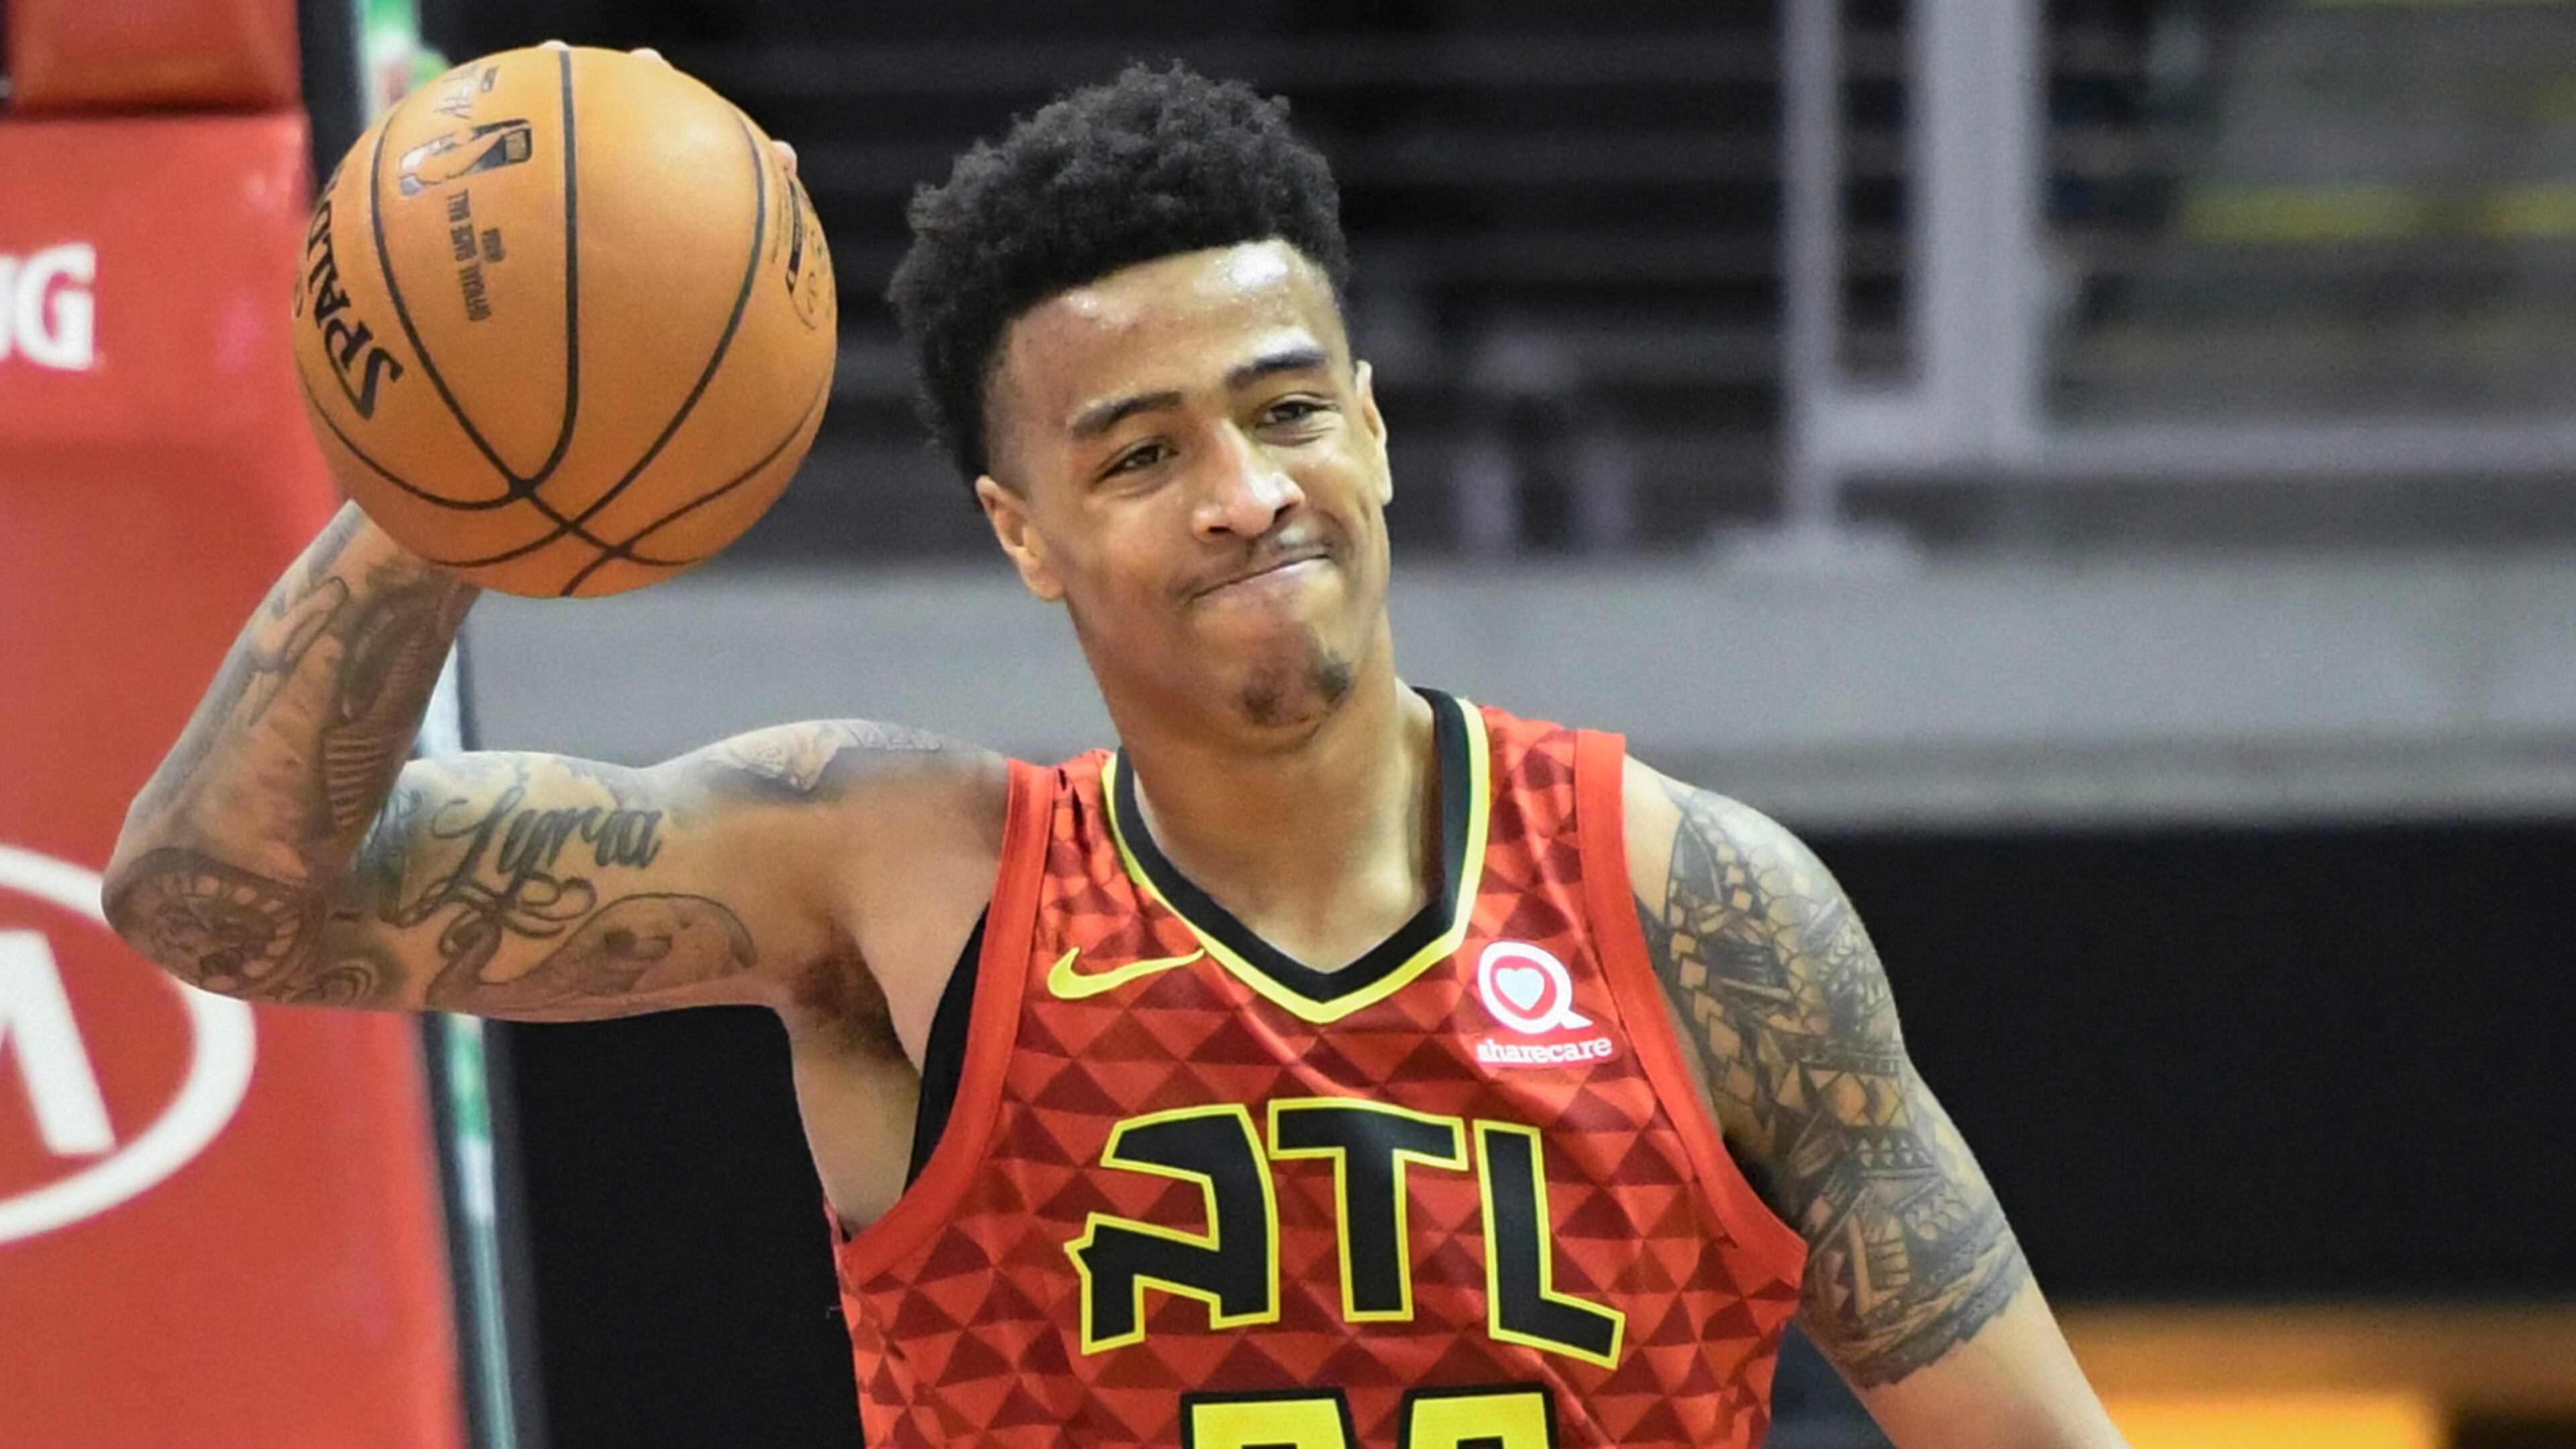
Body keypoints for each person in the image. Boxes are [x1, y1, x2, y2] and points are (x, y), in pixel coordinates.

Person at [105, 62, 2127, 1449]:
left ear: (1379, 429)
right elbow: (221, 899)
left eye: (1289, 410)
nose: (1248, 495)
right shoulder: (902, 878)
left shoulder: (1702, 908)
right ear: (1023, 534)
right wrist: (440, 491)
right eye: (1143, 454)